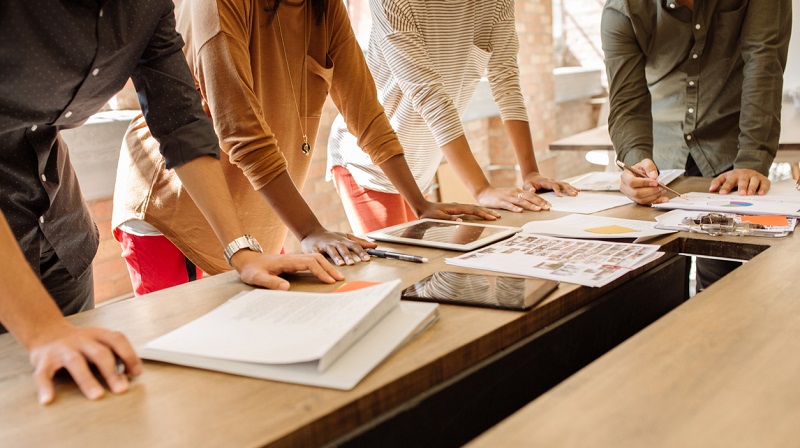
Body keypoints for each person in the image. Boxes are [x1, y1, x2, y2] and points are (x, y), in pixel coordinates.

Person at [0, 0, 342, 405]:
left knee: (84, 405)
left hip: (60, 234)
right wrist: (42, 330)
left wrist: (241, 251)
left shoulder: (147, 7)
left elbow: (179, 118)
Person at [112, 0, 499, 296]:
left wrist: (420, 204)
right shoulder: (217, 5)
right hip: (179, 218)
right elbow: (240, 129)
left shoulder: (324, 6)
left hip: (262, 216)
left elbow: (365, 112)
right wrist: (309, 228)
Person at [327, 0, 578, 235]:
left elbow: (506, 80)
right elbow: (428, 93)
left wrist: (530, 173)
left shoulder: (496, 3)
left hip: (420, 166)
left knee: (423, 273)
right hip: (371, 164)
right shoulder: (395, 3)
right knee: (399, 272)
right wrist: (481, 189)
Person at [602, 0, 791, 290]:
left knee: (721, 287)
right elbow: (627, 102)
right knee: (654, 283)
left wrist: (751, 160)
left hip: (730, 154)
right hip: (660, 157)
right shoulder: (623, 9)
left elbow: (763, 64)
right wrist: (636, 161)